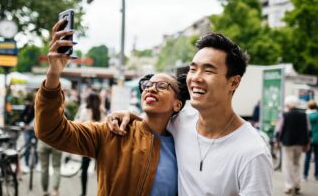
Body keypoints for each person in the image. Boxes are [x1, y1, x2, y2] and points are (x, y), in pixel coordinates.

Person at [34, 19, 189, 196]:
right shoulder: (113, 133)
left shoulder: (185, 143)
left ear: (178, 104)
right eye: (147, 85)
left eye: (162, 86)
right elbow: (50, 130)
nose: (151, 88)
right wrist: (54, 74)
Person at [108, 33, 273, 195]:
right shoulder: (180, 122)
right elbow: (152, 122)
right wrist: (129, 116)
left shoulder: (253, 152)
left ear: (234, 82)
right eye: (193, 69)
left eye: (208, 71)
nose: (195, 78)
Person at [275, 95, 310, 195]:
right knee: (297, 163)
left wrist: (277, 141)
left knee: (288, 164)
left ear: (288, 104)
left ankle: (289, 185)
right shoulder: (304, 115)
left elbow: (279, 129)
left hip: (288, 143)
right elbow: (308, 129)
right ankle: (297, 184)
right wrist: (307, 143)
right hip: (300, 143)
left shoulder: (284, 115)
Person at [74, 92, 106, 196]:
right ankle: (101, 192)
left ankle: (83, 193)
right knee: (101, 170)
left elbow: (78, 125)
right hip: (100, 143)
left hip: (87, 143)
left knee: (84, 169)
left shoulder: (85, 111)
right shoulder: (101, 111)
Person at [20, 92, 39, 173]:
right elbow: (21, 117)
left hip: (37, 131)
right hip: (28, 130)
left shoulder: (42, 108)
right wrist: (24, 124)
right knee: (27, 147)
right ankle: (26, 164)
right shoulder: (29, 107)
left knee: (37, 148)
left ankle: (37, 164)